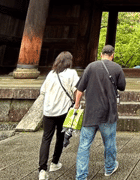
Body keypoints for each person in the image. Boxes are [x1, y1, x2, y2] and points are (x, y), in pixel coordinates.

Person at [73, 44, 126, 180]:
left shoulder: (91, 67)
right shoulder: (117, 68)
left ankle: (81, 176)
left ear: (101, 54)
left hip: (91, 112)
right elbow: (122, 87)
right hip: (109, 113)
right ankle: (109, 168)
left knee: (84, 145)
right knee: (109, 143)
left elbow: (80, 89)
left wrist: (77, 104)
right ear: (112, 55)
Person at [37, 51, 80, 180]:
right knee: (60, 137)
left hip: (48, 111)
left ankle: (42, 170)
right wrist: (77, 104)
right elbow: (77, 89)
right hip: (63, 110)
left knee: (46, 139)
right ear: (69, 61)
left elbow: (42, 91)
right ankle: (55, 162)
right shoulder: (71, 73)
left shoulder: (51, 74)